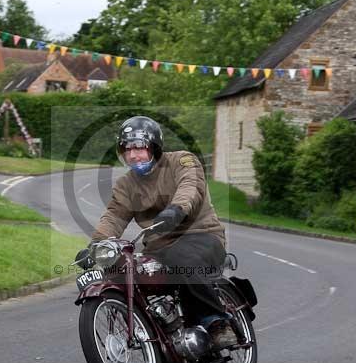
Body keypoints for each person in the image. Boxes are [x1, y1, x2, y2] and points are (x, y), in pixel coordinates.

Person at [75, 115, 237, 349]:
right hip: (159, 247)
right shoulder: (126, 185)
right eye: (127, 149)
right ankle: (158, 332)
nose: (133, 155)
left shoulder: (183, 160)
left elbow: (190, 188)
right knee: (125, 270)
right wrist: (97, 246)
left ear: (154, 147)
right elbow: (114, 215)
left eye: (139, 147)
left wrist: (176, 210)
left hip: (201, 235)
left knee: (181, 260)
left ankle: (217, 322)